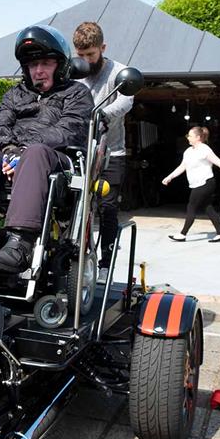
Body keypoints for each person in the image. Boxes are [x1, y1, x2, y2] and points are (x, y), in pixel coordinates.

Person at [0, 24, 93, 272]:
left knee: (35, 153)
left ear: (61, 65)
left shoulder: (77, 93)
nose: (38, 70)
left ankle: (20, 244)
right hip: (12, 155)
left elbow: (68, 130)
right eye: (32, 65)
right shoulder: (16, 94)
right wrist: (9, 150)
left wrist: (23, 151)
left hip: (56, 160)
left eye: (45, 63)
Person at [72, 22, 133, 284]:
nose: (85, 61)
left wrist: (100, 116)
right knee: (70, 205)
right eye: (81, 55)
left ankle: (106, 264)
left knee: (107, 209)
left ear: (103, 48)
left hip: (111, 154)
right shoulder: (72, 72)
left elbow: (126, 100)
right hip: (78, 152)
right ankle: (71, 258)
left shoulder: (118, 72)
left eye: (91, 55)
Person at [162, 126, 220, 242]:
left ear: (198, 137)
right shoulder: (188, 151)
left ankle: (182, 234)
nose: (188, 138)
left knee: (191, 206)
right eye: (188, 136)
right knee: (208, 208)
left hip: (206, 183)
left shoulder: (205, 149)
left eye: (190, 136)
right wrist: (170, 177)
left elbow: (219, 163)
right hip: (197, 184)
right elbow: (183, 166)